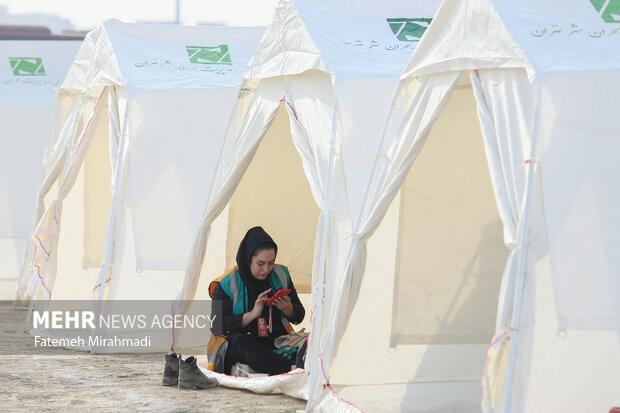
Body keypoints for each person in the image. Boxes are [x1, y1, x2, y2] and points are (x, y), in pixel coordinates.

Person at [207, 226, 305, 375]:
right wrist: (252, 314)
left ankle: (279, 367)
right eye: (260, 264)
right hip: (243, 344)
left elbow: (299, 315)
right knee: (240, 343)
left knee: (312, 340)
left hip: (276, 341)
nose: (266, 269)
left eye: (271, 263)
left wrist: (288, 309)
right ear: (248, 258)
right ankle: (291, 368)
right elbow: (217, 326)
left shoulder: (281, 275)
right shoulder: (226, 283)